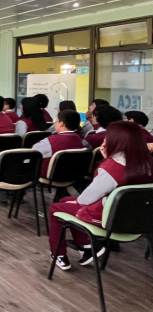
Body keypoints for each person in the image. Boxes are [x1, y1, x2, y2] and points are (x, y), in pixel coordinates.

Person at [48, 121, 153, 271]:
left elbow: (85, 199)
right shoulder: (148, 163)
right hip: (139, 220)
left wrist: (106, 162)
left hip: (110, 220)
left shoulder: (113, 168)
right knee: (66, 201)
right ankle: (86, 248)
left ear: (116, 140)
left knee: (55, 208)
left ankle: (58, 254)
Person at [33, 110, 84, 178]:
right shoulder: (79, 139)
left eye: (57, 121)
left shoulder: (51, 141)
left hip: (50, 177)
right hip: (73, 176)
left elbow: (34, 152)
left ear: (61, 124)